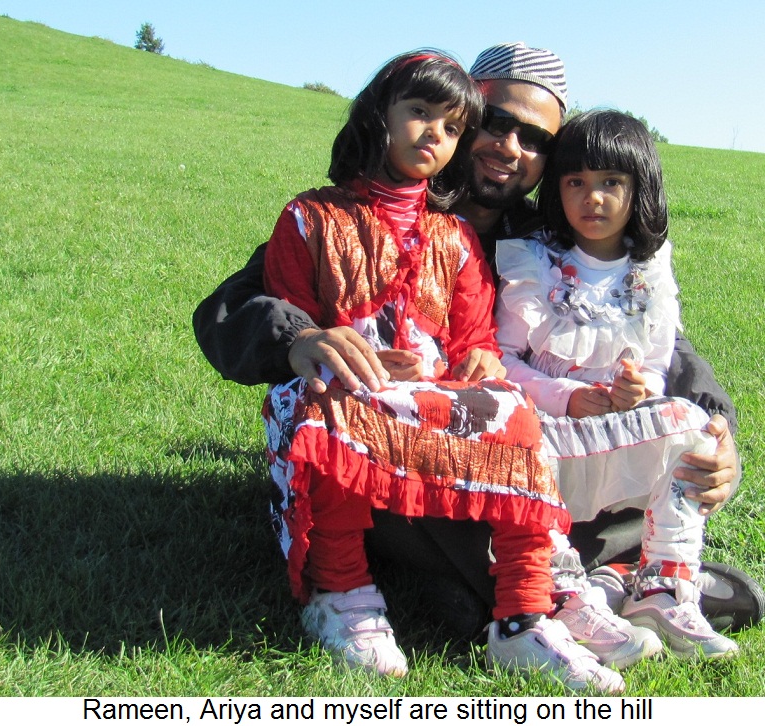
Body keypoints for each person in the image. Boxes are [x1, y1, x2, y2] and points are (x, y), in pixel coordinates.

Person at [193, 43, 764, 637]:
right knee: (419, 490)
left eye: (535, 139)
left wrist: (716, 428)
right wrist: (302, 336)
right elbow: (230, 308)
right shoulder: (371, 210)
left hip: (530, 453)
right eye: (496, 123)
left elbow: (652, 332)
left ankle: (558, 580)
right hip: (401, 446)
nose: (510, 148)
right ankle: (583, 584)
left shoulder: (552, 238)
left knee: (601, 466)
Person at [260, 49, 627, 691]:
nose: (435, 134)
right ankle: (341, 593)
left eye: (452, 126)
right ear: (379, 113)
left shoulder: (456, 237)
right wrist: (316, 341)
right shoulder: (310, 217)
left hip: (429, 405)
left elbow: (475, 335)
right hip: (346, 395)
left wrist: (480, 359)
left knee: (515, 411)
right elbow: (282, 309)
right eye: (420, 113)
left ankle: (523, 615)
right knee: (328, 403)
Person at [496, 109, 739, 658]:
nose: (594, 198)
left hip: (616, 436)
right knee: (518, 438)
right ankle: (562, 591)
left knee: (693, 425)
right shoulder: (532, 263)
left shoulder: (650, 271)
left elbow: (657, 361)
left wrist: (639, 389)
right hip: (547, 439)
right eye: (575, 182)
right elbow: (503, 360)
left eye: (611, 182)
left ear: (639, 188)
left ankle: (663, 584)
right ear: (557, 189)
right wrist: (569, 398)